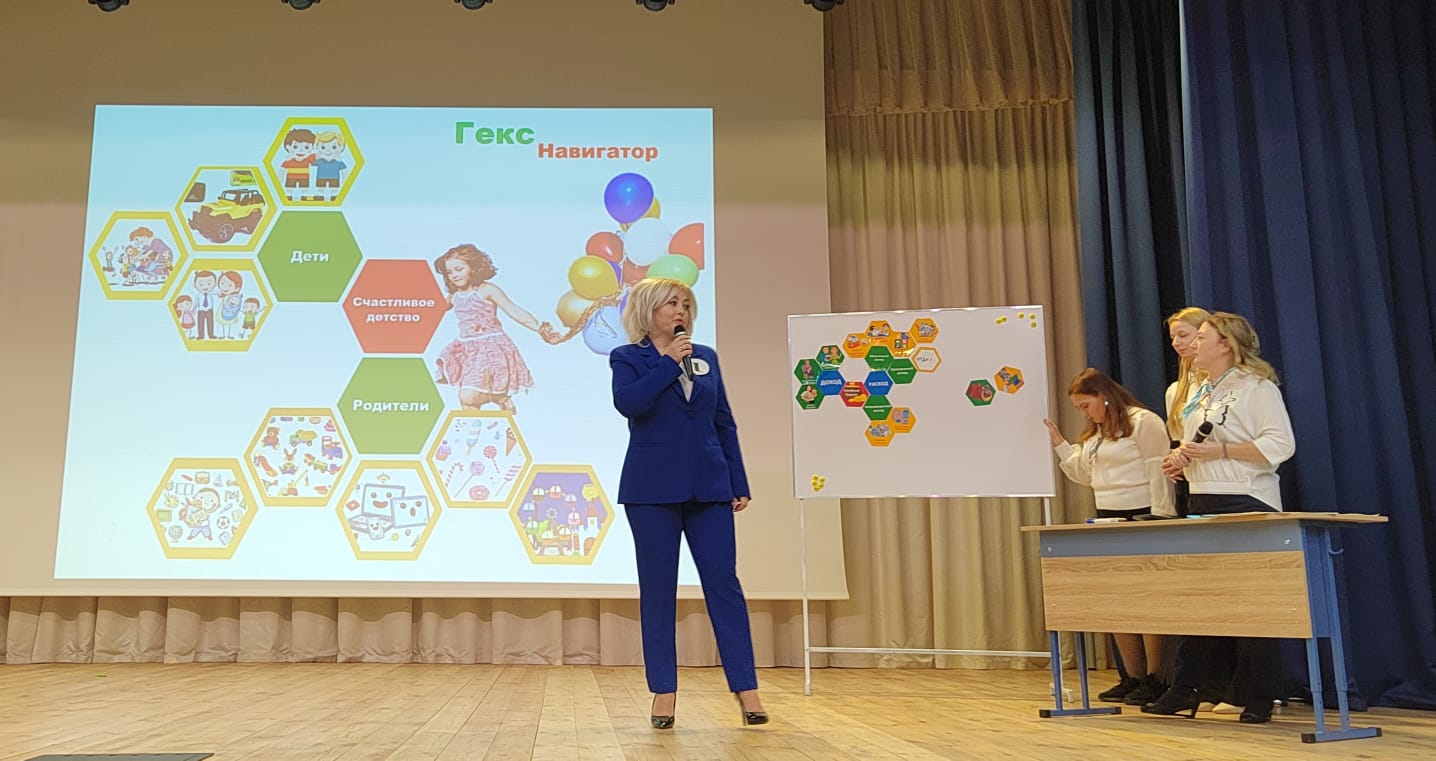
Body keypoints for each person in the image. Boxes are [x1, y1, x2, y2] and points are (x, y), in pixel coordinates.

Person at [609, 277, 767, 730]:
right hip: (651, 490)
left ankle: (746, 688)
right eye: (671, 304)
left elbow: (724, 422)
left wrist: (737, 480)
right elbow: (629, 404)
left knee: (724, 584)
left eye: (685, 304)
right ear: (648, 310)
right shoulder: (627, 357)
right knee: (658, 590)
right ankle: (664, 691)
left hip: (709, 487)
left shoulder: (706, 358)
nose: (681, 311)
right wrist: (667, 364)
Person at [1144, 312, 1296, 724]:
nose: (1192, 346)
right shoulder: (1199, 391)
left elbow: (1280, 444)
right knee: (1202, 599)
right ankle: (1186, 688)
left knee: (1252, 603)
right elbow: (1198, 443)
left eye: (1201, 338)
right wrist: (1182, 461)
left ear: (1226, 344)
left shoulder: (1256, 387)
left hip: (1246, 501)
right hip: (1204, 499)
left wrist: (1220, 452)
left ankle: (1259, 695)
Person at [1045, 368, 1175, 706]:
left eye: (1085, 405)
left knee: (1147, 601)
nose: (1084, 413)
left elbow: (1158, 470)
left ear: (1103, 396)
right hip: (1107, 517)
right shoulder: (1097, 434)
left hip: (1142, 515)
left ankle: (1156, 677)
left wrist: (1160, 517)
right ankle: (1132, 676)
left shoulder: (1143, 422)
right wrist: (1059, 443)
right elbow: (1085, 475)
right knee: (1117, 600)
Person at [432, 244, 560, 412]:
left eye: (459, 269)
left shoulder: (486, 290)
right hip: (466, 351)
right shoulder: (453, 296)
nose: (454, 275)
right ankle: (477, 427)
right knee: (468, 403)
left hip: (490, 349)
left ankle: (500, 396)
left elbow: (514, 310)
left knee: (467, 395)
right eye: (449, 272)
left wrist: (541, 329)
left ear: (473, 268)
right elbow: (431, 308)